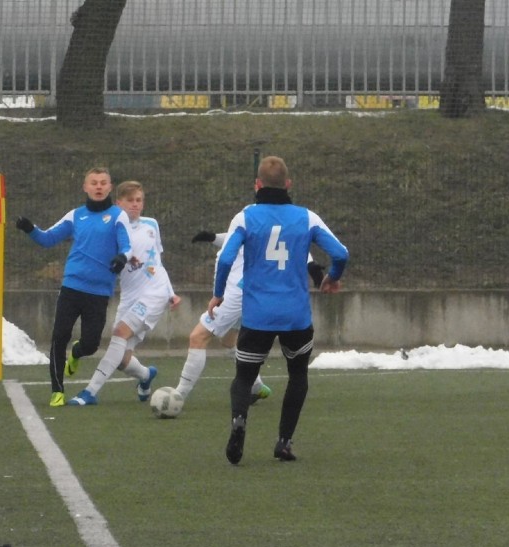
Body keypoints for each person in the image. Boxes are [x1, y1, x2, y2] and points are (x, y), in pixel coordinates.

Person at [209, 155, 348, 465]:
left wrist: (218, 294)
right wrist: (331, 279)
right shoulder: (307, 217)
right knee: (297, 374)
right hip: (295, 315)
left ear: (257, 185)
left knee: (244, 377)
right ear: (288, 185)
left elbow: (228, 258)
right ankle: (284, 442)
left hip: (258, 315)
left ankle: (239, 422)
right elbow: (341, 252)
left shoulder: (246, 217)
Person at [15, 167, 132, 407]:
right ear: (85, 187)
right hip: (72, 286)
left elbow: (127, 247)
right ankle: (57, 390)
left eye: (103, 183)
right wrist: (29, 228)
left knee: (90, 344)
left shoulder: (118, 216)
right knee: (59, 336)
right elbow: (47, 239)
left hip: (99, 292)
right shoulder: (75, 216)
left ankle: (77, 353)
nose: (98, 187)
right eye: (94, 183)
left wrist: (121, 258)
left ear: (109, 187)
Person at [174, 232, 325, 407]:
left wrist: (311, 265)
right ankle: (256, 386)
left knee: (198, 337)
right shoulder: (270, 221)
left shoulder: (253, 217)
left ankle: (178, 395)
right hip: (256, 291)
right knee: (229, 341)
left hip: (238, 292)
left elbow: (241, 238)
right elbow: (290, 243)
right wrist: (213, 238)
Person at [67, 181, 181, 406]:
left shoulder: (151, 225)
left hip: (154, 292)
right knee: (121, 359)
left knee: (120, 333)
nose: (136, 205)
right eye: (130, 201)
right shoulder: (111, 228)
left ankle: (90, 392)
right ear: (119, 203)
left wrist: (170, 292)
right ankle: (146, 376)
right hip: (129, 296)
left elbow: (158, 261)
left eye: (139, 200)